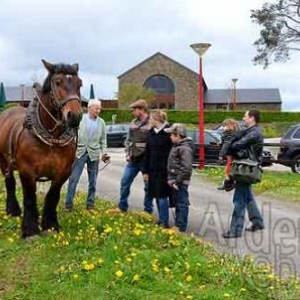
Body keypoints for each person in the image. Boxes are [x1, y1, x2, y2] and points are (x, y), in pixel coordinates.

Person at [222, 109, 265, 239]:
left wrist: (229, 143)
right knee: (247, 197)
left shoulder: (253, 134)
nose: (243, 118)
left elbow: (237, 145)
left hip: (246, 169)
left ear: (252, 118)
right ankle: (257, 222)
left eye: (245, 116)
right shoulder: (250, 132)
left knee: (239, 201)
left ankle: (235, 230)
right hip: (247, 169)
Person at [65, 99, 109, 211]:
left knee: (93, 181)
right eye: (96, 108)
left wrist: (104, 152)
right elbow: (71, 133)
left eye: (99, 109)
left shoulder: (102, 123)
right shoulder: (80, 119)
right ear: (89, 108)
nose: (98, 111)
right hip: (80, 153)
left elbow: (103, 140)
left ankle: (90, 204)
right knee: (74, 179)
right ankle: (68, 205)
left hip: (94, 155)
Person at [117, 99, 153, 213]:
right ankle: (122, 207)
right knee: (124, 182)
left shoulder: (152, 123)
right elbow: (128, 140)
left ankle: (148, 211)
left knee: (148, 187)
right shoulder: (133, 122)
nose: (133, 112)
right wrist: (127, 153)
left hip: (146, 161)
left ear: (141, 110)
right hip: (133, 160)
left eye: (134, 110)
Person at [142, 110, 173, 228]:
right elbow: (147, 153)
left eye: (151, 118)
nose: (149, 120)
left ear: (157, 119)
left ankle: (164, 221)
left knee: (162, 195)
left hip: (164, 170)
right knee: (156, 194)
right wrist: (145, 170)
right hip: (152, 169)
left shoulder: (168, 134)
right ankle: (161, 219)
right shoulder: (151, 133)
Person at [166, 123, 193, 232]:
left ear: (178, 135)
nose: (170, 137)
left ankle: (181, 226)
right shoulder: (177, 146)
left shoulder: (184, 148)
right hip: (176, 180)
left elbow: (186, 168)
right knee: (178, 202)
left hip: (180, 181)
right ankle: (178, 224)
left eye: (172, 135)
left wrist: (177, 181)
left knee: (182, 203)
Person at [217, 118, 239, 191]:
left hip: (231, 154)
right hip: (231, 154)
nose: (223, 127)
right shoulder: (230, 134)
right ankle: (228, 183)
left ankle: (228, 184)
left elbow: (226, 145)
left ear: (230, 126)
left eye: (225, 126)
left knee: (228, 170)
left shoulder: (230, 135)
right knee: (230, 169)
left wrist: (221, 155)